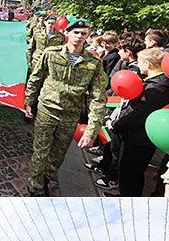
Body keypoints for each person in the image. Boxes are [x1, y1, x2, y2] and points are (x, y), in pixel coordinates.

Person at [25, 17, 107, 196]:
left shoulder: (94, 63)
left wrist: (91, 131)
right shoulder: (51, 53)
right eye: (75, 32)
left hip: (70, 115)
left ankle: (46, 178)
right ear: (67, 33)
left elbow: (97, 98)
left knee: (58, 154)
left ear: (87, 36)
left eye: (83, 33)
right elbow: (36, 78)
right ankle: (36, 189)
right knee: (41, 151)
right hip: (47, 109)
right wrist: (29, 102)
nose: (78, 36)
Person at [112, 47, 169, 196]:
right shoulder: (157, 82)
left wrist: (116, 124)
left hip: (138, 139)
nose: (137, 65)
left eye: (140, 62)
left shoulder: (157, 88)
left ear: (148, 64)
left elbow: (140, 115)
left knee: (131, 174)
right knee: (130, 172)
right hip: (137, 136)